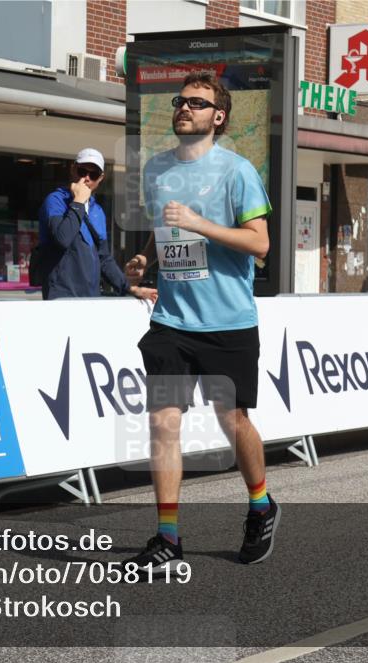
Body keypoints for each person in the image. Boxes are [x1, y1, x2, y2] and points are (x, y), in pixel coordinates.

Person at [121, 71, 278, 570]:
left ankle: (261, 505)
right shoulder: (158, 170)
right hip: (172, 320)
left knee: (233, 421)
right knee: (163, 423)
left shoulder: (237, 171)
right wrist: (145, 259)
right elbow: (163, 230)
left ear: (219, 116)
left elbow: (260, 244)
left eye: (197, 102)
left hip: (228, 320)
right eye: (180, 101)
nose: (185, 108)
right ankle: (167, 539)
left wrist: (201, 225)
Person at [37, 148, 156, 302]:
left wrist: (129, 288)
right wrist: (78, 202)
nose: (86, 178)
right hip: (61, 296)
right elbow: (62, 238)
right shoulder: (56, 201)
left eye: (93, 175)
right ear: (73, 169)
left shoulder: (97, 210)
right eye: (82, 171)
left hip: (91, 298)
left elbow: (104, 258)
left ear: (100, 178)